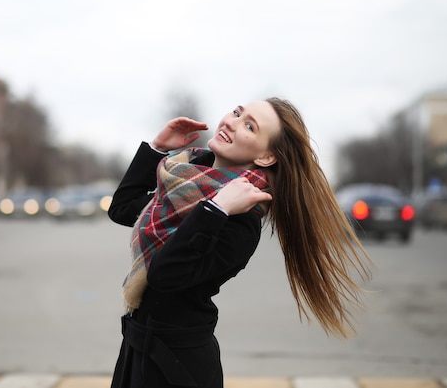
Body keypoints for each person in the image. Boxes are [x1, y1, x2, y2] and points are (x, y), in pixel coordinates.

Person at [107, 97, 372, 388]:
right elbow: (122, 208)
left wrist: (216, 209)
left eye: (249, 126)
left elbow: (164, 274)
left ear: (266, 157)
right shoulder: (182, 182)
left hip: (174, 368)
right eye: (236, 112)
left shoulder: (242, 221)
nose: (231, 122)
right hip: (135, 354)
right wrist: (158, 148)